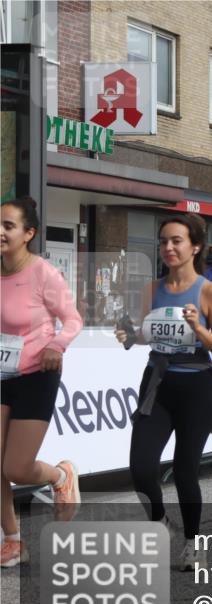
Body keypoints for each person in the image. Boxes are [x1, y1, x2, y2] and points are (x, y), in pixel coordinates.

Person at [115, 213, 212, 571]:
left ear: (194, 246)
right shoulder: (151, 290)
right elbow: (146, 335)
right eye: (164, 241)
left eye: (176, 241)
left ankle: (194, 544)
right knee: (141, 467)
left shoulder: (209, 292)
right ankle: (160, 522)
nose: (168, 247)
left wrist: (197, 327)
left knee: (184, 470)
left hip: (197, 389)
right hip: (158, 384)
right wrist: (129, 338)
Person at [1, 197, 84, 567]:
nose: (0, 232)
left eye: (8, 226)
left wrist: (56, 344)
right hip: (2, 373)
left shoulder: (42, 273)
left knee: (15, 468)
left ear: (28, 234)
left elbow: (73, 319)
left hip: (37, 374)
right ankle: (13, 540)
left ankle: (61, 475)